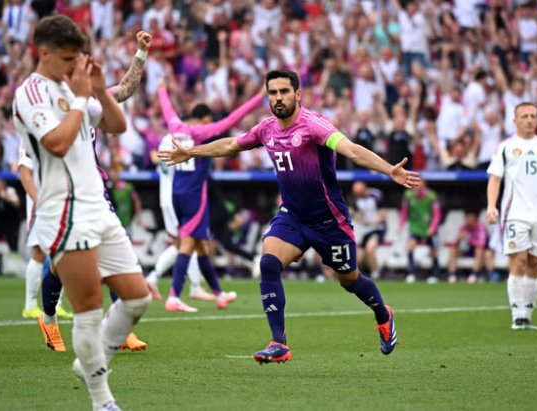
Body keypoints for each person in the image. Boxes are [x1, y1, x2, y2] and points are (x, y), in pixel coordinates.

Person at [159, 69, 420, 364]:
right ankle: (278, 343)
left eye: (284, 92)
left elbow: (351, 150)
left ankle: (384, 315)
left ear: (298, 94)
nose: (278, 98)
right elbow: (231, 144)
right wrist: (192, 152)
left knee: (349, 279)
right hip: (293, 216)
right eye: (272, 93)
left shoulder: (313, 126)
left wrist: (389, 170)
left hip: (329, 221)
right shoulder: (266, 129)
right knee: (268, 263)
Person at [13, 16, 151, 410]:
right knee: (89, 310)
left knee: (137, 299)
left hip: (97, 204)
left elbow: (118, 124)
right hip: (63, 208)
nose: (76, 66)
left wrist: (98, 91)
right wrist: (78, 98)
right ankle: (102, 400)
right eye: (69, 58)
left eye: (79, 59)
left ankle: (91, 362)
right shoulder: (32, 93)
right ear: (45, 53)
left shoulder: (72, 86)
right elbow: (56, 143)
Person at [35, 30, 154, 353]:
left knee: (118, 256)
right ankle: (48, 318)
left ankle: (122, 327)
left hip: (95, 189)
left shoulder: (88, 102)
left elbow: (126, 89)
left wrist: (141, 54)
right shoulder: (41, 103)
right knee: (61, 264)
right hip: (60, 193)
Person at [153, 82, 264, 312]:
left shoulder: (174, 127)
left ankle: (218, 293)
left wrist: (163, 90)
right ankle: (174, 295)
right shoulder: (200, 132)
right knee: (187, 244)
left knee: (203, 247)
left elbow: (167, 109)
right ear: (203, 119)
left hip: (178, 192)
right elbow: (231, 120)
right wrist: (259, 97)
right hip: (195, 195)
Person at [487, 101, 537, 331]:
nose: (530, 120)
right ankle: (517, 315)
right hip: (514, 214)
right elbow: (495, 178)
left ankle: (528, 315)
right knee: (519, 260)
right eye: (524, 116)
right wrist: (491, 205)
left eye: (533, 116)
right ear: (515, 120)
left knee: (534, 264)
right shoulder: (505, 147)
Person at [18, 147, 72, 320]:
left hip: (61, 198)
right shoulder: (31, 126)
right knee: (39, 251)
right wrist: (38, 201)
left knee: (63, 250)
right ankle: (30, 305)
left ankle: (57, 303)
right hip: (40, 200)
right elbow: (25, 170)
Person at [399, 179, 441, 283]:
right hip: (415, 227)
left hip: (429, 228)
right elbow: (404, 212)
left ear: (424, 186)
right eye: (415, 186)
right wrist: (401, 225)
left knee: (433, 252)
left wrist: (433, 227)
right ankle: (411, 273)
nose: (417, 188)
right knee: (410, 247)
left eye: (419, 186)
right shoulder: (408, 195)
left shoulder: (432, 196)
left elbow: (437, 214)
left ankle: (435, 275)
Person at [446, 211, 495, 284]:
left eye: (470, 220)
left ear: (475, 220)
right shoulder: (463, 227)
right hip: (467, 250)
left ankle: (474, 275)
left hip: (481, 251)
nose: (468, 222)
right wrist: (456, 240)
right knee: (453, 250)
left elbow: (482, 244)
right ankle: (452, 275)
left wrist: (469, 238)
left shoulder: (481, 228)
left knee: (479, 250)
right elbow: (456, 243)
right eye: (467, 220)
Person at [351, 180, 386, 279]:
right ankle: (363, 274)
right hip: (365, 231)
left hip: (377, 229)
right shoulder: (357, 200)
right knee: (359, 256)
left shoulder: (375, 195)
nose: (357, 194)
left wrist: (370, 222)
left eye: (358, 192)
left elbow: (382, 216)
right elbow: (353, 213)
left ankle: (376, 273)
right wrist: (360, 218)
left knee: (370, 249)